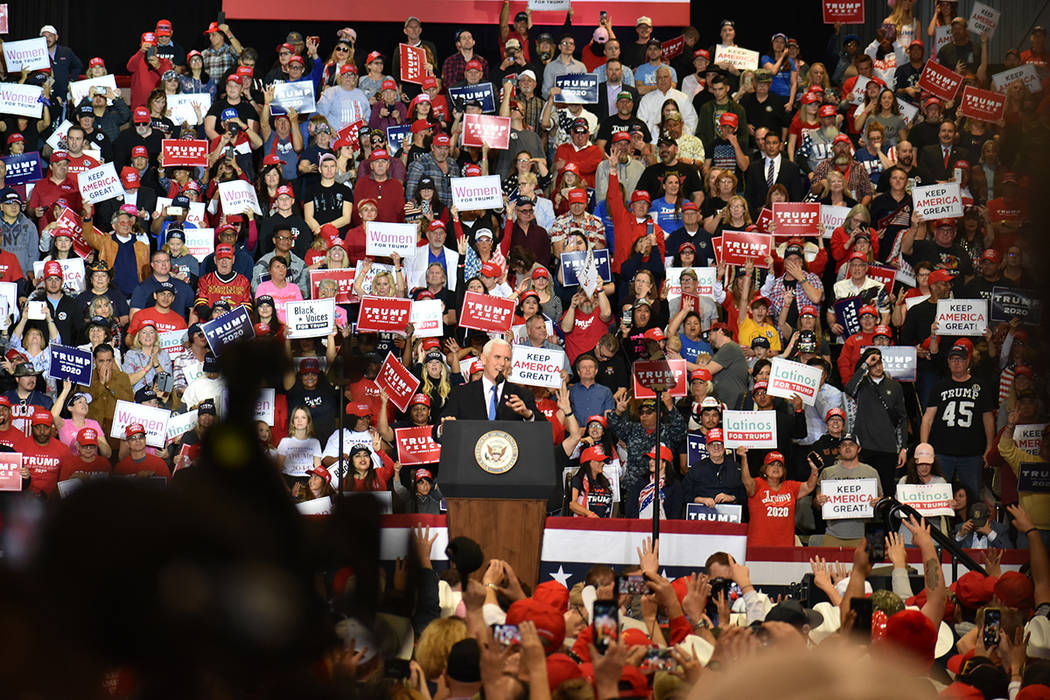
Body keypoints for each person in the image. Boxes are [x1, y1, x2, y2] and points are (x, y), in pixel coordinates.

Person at [920, 342, 996, 497]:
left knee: (972, 497)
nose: (956, 362)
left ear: (968, 361)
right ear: (947, 362)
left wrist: (989, 447)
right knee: (938, 496)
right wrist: (924, 446)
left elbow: (988, 419)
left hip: (972, 453)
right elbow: (927, 419)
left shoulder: (980, 386)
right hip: (942, 452)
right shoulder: (939, 387)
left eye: (960, 359)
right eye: (953, 359)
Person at [845, 348, 908, 497]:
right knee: (864, 492)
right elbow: (849, 389)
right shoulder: (861, 384)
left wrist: (903, 448)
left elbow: (902, 419)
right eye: (873, 363)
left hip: (888, 448)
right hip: (865, 447)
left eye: (879, 363)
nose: (877, 367)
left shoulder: (895, 386)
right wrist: (865, 364)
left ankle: (887, 520)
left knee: (886, 492)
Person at [438, 339, 543, 429]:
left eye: (507, 359)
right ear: (484, 359)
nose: (502, 363)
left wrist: (528, 415)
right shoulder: (461, 393)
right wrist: (444, 427)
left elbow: (543, 429)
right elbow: (438, 429)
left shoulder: (523, 395)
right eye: (497, 357)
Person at [813, 433, 883, 547]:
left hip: (864, 535)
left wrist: (878, 502)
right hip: (833, 535)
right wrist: (818, 501)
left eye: (851, 444)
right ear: (839, 450)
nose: (847, 447)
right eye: (843, 445)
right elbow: (816, 504)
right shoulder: (827, 472)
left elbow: (882, 502)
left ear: (859, 449)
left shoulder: (871, 472)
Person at [739, 449, 818, 546]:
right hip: (759, 545)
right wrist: (744, 458)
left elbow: (809, 486)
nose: (776, 467)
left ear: (784, 470)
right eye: (772, 464)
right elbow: (746, 480)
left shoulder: (790, 487)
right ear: (764, 468)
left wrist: (814, 470)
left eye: (779, 465)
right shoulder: (757, 484)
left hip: (785, 546)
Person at [569, 447, 614, 518]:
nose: (603, 463)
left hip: (603, 525)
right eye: (599, 461)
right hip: (583, 525)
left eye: (603, 461)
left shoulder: (605, 481)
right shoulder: (578, 479)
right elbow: (572, 504)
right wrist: (590, 514)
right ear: (588, 463)